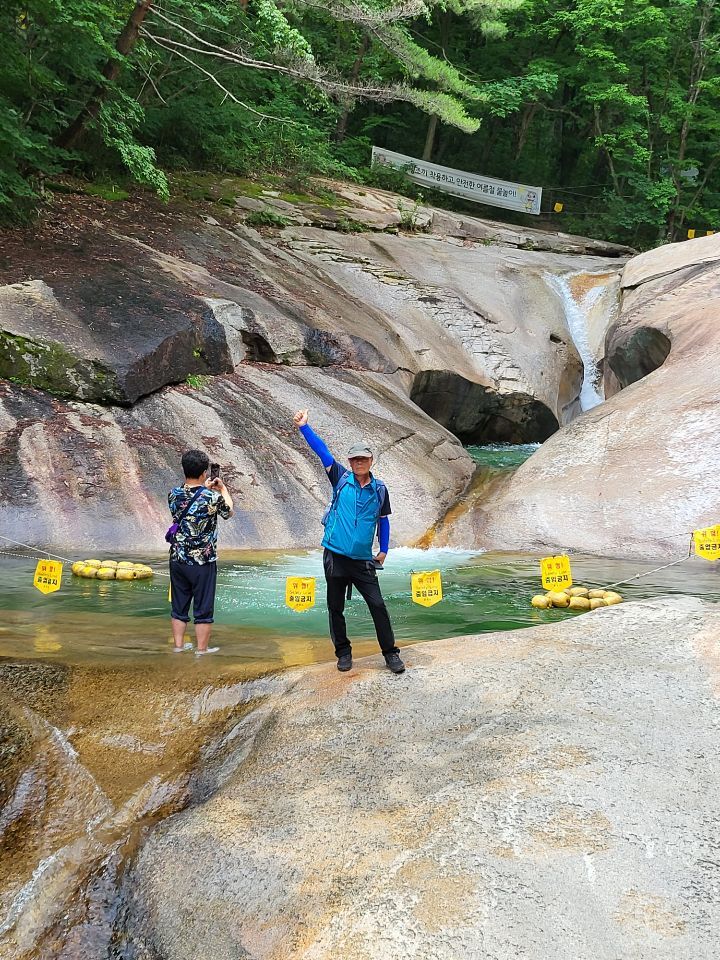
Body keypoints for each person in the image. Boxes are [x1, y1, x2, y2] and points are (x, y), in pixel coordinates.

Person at [293, 409, 405, 674]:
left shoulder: (380, 489)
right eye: (355, 459)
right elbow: (322, 452)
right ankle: (343, 653)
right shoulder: (340, 478)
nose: (359, 462)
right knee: (335, 607)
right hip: (335, 555)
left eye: (363, 458)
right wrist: (304, 427)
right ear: (350, 461)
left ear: (371, 460)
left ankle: (390, 654)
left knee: (378, 605)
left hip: (363, 560)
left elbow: (383, 520)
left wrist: (384, 550)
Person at [168, 450, 234, 654]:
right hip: (203, 561)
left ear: (184, 469)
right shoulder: (212, 497)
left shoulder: (173, 494)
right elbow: (229, 512)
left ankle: (178, 647)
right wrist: (222, 489)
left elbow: (189, 499)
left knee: (179, 606)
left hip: (178, 558)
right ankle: (201, 650)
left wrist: (203, 488)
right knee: (203, 608)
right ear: (205, 472)